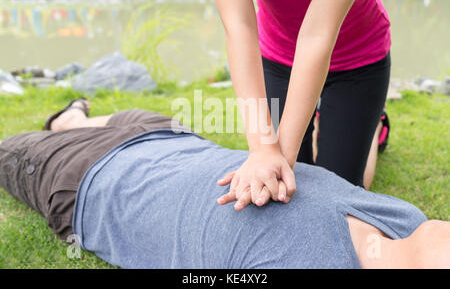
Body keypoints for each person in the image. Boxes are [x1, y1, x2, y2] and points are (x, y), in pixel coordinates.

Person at [0, 100, 449, 269]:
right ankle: (72, 118)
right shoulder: (406, 219)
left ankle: (69, 123)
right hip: (174, 139)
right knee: (111, 118)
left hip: (89, 180)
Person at [204, 0, 392, 209]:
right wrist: (263, 149)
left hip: (358, 59)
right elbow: (239, 26)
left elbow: (318, 31)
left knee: (336, 191)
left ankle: (373, 126)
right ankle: (324, 123)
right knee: (294, 184)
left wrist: (281, 159)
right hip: (279, 57)